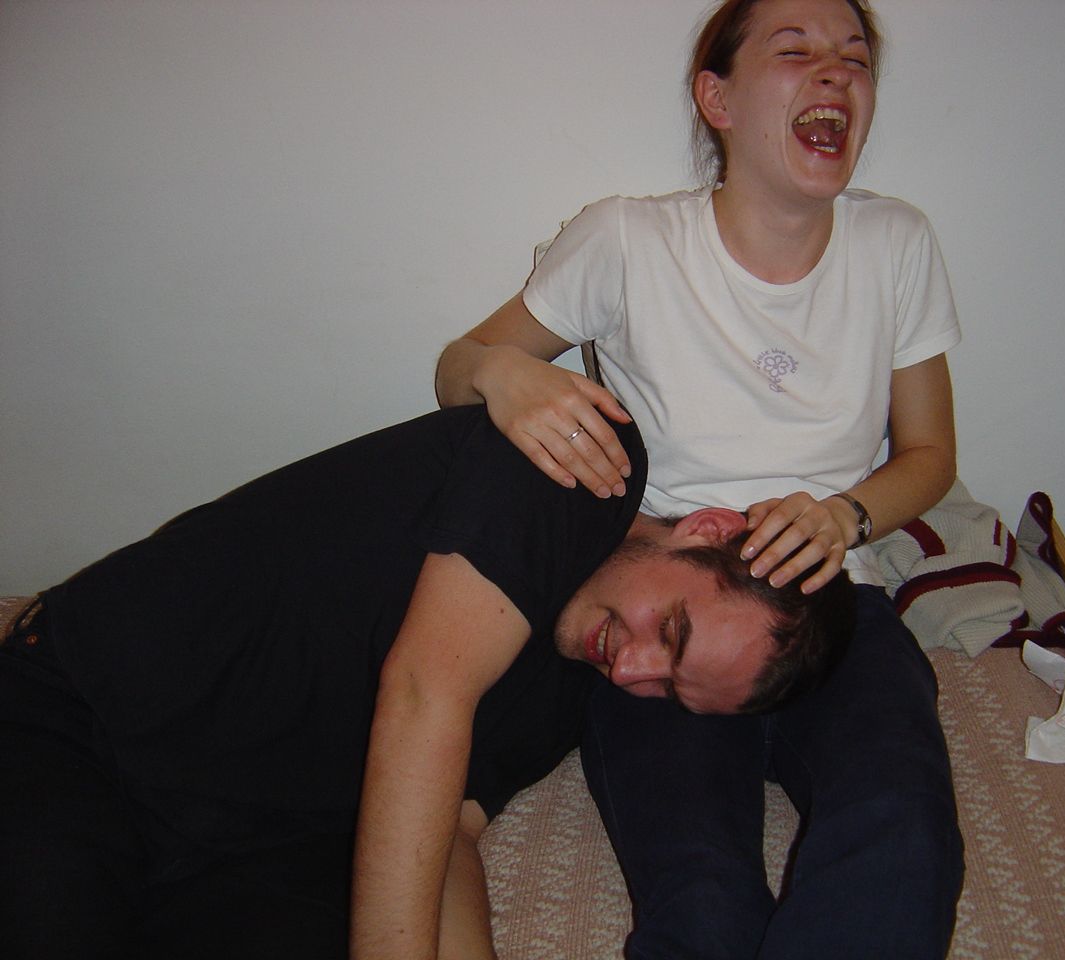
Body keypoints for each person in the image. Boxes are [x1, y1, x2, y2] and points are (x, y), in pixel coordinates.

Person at [434, 0, 965, 955]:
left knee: (900, 828)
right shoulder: (627, 240)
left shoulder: (897, 243)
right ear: (717, 98)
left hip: (830, 598)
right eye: (796, 50)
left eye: (855, 59)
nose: (836, 74)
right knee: (701, 889)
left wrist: (842, 516)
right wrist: (506, 375)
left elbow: (930, 456)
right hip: (670, 594)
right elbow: (457, 368)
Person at [0, 404, 853, 960]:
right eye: (670, 631)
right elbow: (423, 695)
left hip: (260, 848)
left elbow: (450, 837)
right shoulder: (581, 466)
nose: (631, 670)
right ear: (706, 530)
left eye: (669, 689)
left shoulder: (572, 690)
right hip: (87, 722)